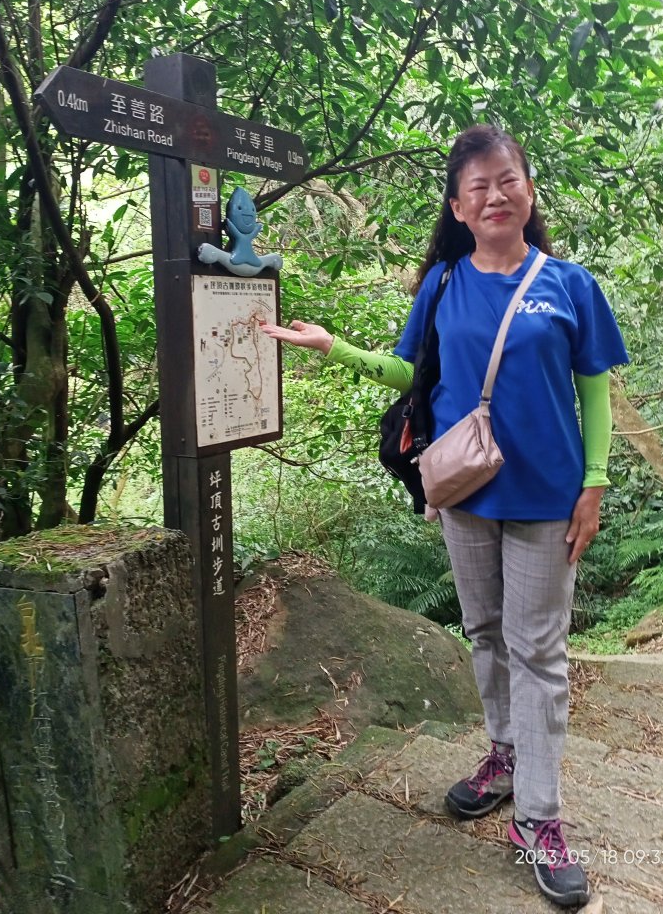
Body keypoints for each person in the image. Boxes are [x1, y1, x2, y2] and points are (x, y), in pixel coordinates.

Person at [260, 124, 628, 909]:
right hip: (462, 490)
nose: (496, 196)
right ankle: (502, 754)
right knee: (487, 632)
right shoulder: (442, 284)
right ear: (458, 207)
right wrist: (336, 348)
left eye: (509, 181)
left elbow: (594, 388)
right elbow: (411, 370)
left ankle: (539, 816)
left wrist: (593, 484)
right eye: (478, 188)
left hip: (547, 495)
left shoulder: (568, 284)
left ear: (529, 190)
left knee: (541, 653)